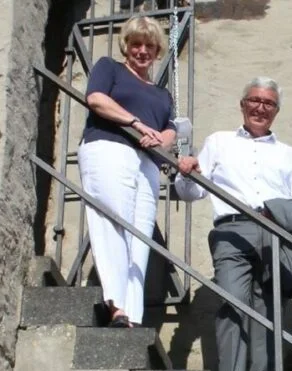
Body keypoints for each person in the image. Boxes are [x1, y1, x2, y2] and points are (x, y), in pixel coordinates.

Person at [175, 78, 292, 371]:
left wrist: (280, 212)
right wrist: (186, 172)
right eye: (254, 100)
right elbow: (190, 192)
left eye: (268, 103)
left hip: (275, 235)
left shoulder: (289, 155)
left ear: (276, 112)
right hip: (231, 232)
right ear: (242, 105)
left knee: (268, 317)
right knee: (232, 304)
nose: (260, 108)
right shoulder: (219, 143)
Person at [80, 16, 176, 327]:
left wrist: (163, 138)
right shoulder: (110, 68)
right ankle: (115, 305)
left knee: (140, 235)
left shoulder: (162, 94)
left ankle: (132, 315)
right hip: (109, 148)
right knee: (113, 220)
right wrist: (135, 124)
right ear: (127, 46)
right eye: (136, 44)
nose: (142, 50)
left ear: (158, 50)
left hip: (146, 161)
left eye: (149, 45)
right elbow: (96, 99)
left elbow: (170, 128)